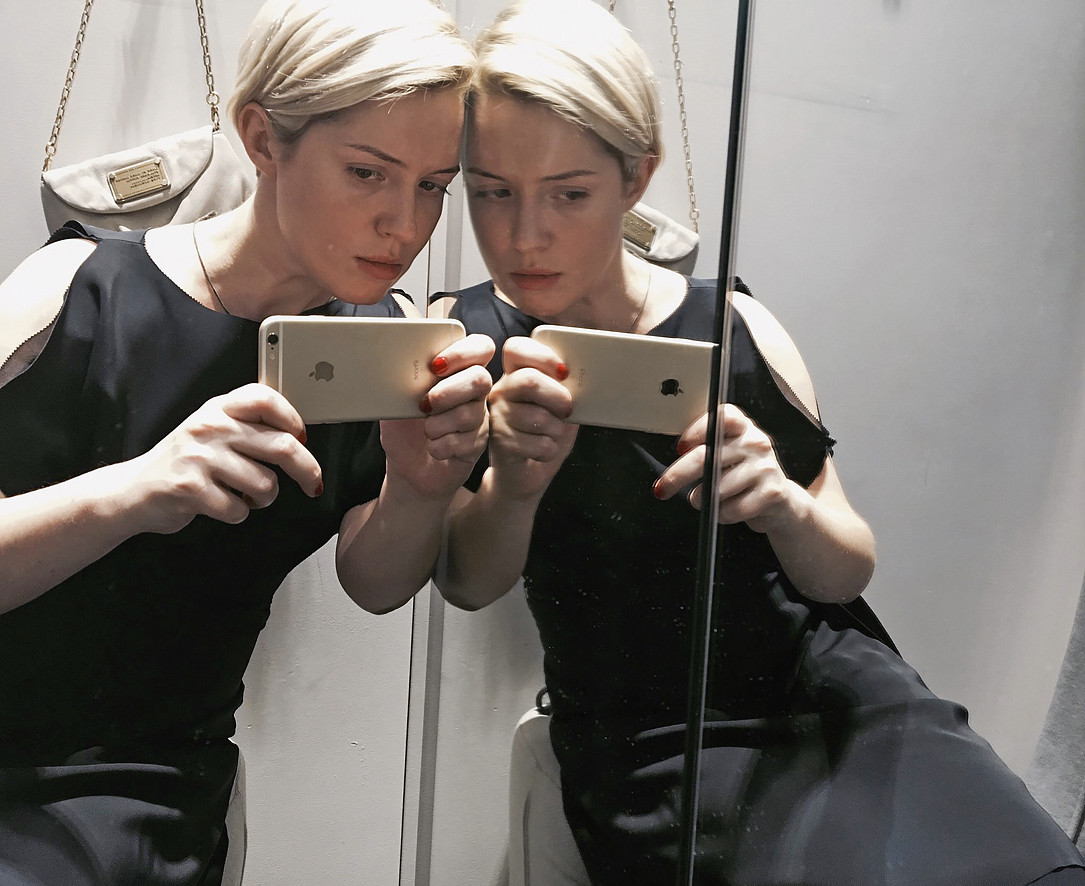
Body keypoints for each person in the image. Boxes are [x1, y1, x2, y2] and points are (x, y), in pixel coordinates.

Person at [433, 1, 1085, 883]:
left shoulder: (732, 326)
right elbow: (465, 584)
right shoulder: (466, 341)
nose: (524, 236)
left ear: (636, 178)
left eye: (569, 194)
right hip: (647, 738)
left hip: (830, 698)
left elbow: (844, 572)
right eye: (491, 192)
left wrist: (780, 504)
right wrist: (512, 486)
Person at [0, 1, 492, 883]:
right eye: (367, 173)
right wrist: (135, 491)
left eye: (432, 186)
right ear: (263, 138)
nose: (405, 224)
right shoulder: (78, 289)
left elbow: (375, 583)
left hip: (163, 796)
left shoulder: (377, 346)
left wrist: (419, 486)